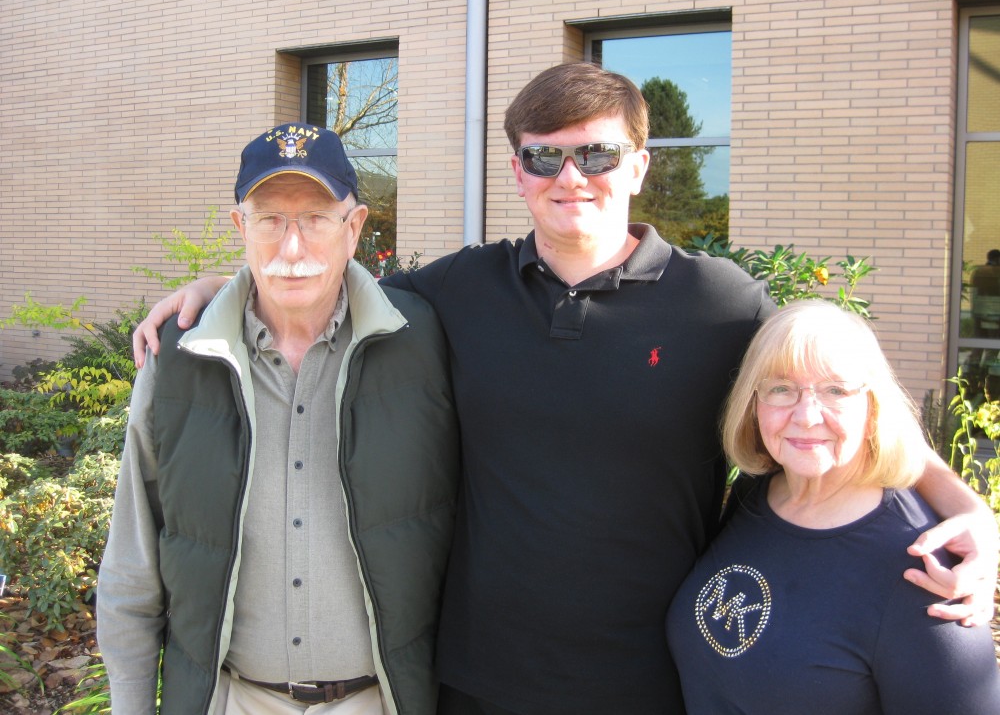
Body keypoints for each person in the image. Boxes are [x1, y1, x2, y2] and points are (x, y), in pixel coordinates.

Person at [131, 65, 998, 715]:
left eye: (596, 152)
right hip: (473, 682)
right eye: (543, 156)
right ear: (516, 172)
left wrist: (974, 515)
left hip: (649, 681)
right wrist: (225, 283)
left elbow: (836, 404)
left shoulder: (719, 303)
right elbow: (315, 275)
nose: (569, 175)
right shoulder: (457, 292)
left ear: (639, 166)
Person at [97, 123, 460, 715]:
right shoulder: (178, 361)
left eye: (316, 218)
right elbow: (132, 574)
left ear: (355, 228)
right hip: (233, 701)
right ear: (241, 227)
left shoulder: (426, 343)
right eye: (270, 220)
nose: (293, 248)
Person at [666, 300, 1000, 714]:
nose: (806, 416)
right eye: (781, 388)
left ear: (873, 406)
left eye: (836, 390)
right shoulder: (754, 497)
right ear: (754, 404)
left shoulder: (924, 570)